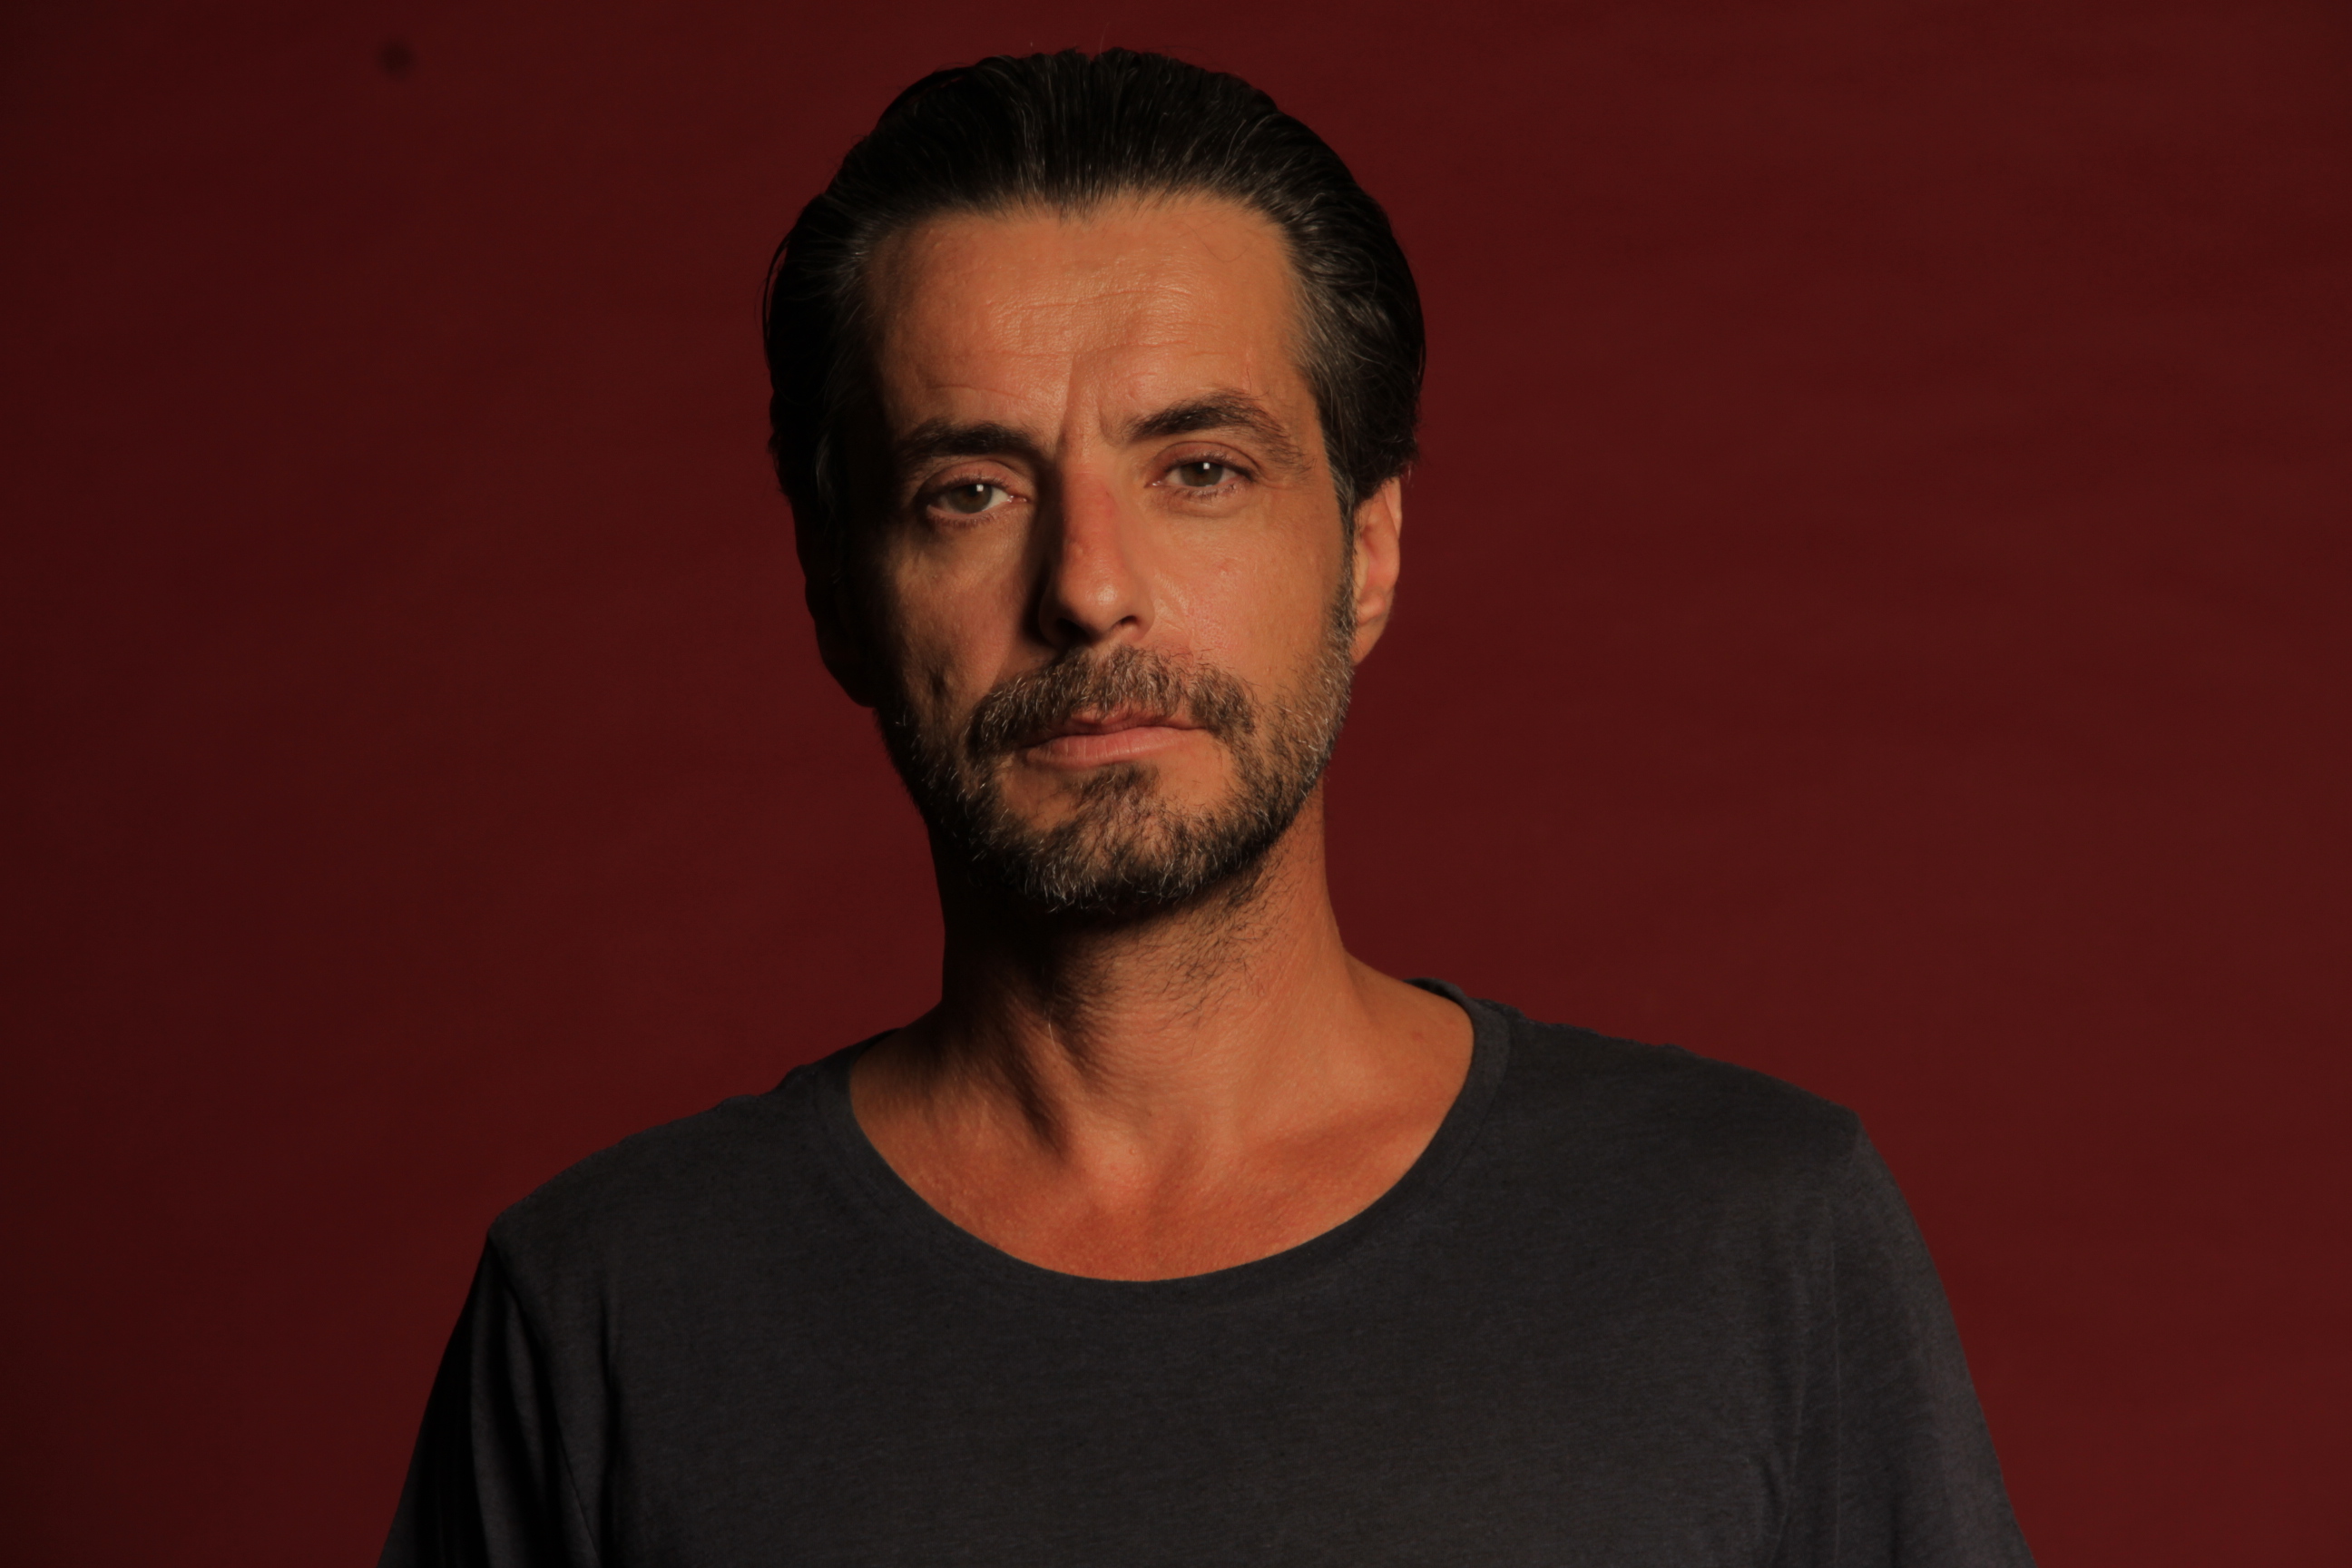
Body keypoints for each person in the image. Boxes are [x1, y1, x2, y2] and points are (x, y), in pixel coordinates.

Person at [382, 49, 2034, 1567]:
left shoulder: (1754, 1239)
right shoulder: (609, 1310)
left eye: (1200, 470)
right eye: (971, 490)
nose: (1090, 587)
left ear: (1367, 550)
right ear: (838, 594)